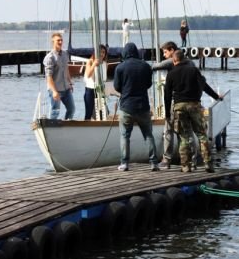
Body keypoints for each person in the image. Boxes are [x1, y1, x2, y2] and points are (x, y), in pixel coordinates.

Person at [153, 41, 220, 169]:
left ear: (174, 59)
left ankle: (184, 165)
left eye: (165, 52)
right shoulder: (193, 68)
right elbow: (203, 85)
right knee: (200, 135)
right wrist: (216, 96)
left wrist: (167, 113)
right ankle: (206, 163)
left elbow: (167, 94)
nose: (164, 55)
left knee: (182, 136)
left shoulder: (171, 72)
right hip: (194, 104)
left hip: (178, 106)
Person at [114, 42, 159, 172]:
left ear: (125, 53)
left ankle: (124, 163)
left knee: (125, 135)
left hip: (126, 107)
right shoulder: (145, 66)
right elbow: (149, 84)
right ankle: (154, 163)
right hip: (143, 106)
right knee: (148, 135)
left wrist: (125, 89)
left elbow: (117, 86)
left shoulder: (120, 68)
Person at [43, 32, 75, 119]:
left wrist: (70, 83)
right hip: (55, 89)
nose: (60, 42)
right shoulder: (50, 57)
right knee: (55, 111)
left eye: (61, 40)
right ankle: (51, 126)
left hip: (66, 88)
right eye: (58, 40)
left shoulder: (65, 54)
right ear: (53, 42)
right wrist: (54, 91)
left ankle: (67, 125)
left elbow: (66, 70)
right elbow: (48, 77)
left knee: (71, 109)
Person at [83, 44, 108, 120]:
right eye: (100, 52)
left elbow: (104, 79)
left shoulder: (105, 64)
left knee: (102, 112)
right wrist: (94, 65)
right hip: (90, 89)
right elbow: (88, 75)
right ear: (96, 52)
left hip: (100, 89)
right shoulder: (90, 61)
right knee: (89, 112)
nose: (102, 54)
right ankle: (86, 124)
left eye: (103, 52)